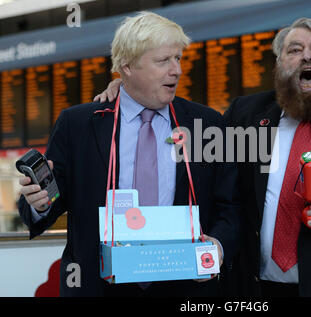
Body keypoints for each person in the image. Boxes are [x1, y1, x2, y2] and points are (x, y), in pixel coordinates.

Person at [95, 17, 311, 297]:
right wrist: (125, 94)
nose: (306, 57)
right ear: (280, 64)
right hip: (253, 292)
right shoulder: (247, 115)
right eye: (294, 50)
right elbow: (208, 174)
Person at [18, 11, 240, 297]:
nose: (177, 70)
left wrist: (218, 246)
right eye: (163, 61)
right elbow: (50, 203)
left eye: (178, 59)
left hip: (185, 288)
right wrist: (39, 203)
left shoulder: (206, 124)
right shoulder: (78, 125)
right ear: (127, 66)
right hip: (98, 288)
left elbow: (231, 207)